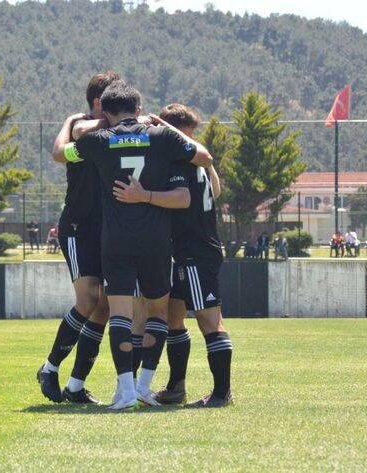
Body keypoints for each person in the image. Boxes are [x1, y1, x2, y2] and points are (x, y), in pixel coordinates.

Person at [54, 81, 213, 409]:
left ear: (107, 113)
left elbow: (62, 153)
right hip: (156, 242)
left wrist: (69, 125)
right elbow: (203, 156)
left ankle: (124, 391)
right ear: (139, 109)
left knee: (121, 316)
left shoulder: (98, 141)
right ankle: (143, 386)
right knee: (157, 313)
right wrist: (164, 126)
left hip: (115, 241)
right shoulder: (162, 138)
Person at [117, 104, 233, 408]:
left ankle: (222, 393)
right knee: (173, 318)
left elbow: (182, 199)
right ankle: (176, 387)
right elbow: (216, 191)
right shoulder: (198, 159)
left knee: (210, 320)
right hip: (186, 250)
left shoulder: (180, 159)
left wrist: (145, 196)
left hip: (196, 250)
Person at [37, 72, 120, 405]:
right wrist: (72, 120)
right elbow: (62, 150)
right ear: (99, 103)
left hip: (108, 230)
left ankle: (75, 385)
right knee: (88, 300)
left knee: (104, 306)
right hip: (78, 228)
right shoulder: (83, 129)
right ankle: (49, 367)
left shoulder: (117, 128)